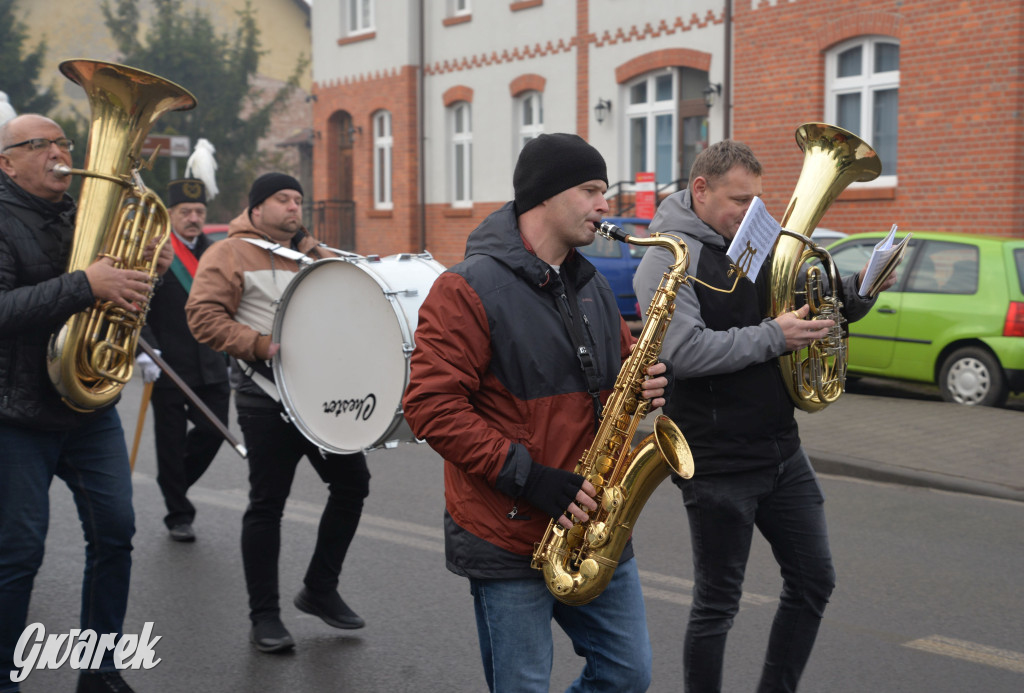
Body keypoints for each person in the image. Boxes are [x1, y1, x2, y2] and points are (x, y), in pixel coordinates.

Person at [403, 133, 670, 693]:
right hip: (507, 529)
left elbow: (620, 373)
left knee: (628, 675)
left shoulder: (593, 285)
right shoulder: (465, 288)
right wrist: (531, 479)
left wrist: (641, 386)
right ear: (545, 196)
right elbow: (430, 406)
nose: (605, 204)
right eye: (591, 190)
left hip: (592, 526)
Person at [632, 139, 897, 693]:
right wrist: (775, 336)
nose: (752, 211)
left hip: (781, 449)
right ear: (700, 190)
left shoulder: (751, 237)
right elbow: (685, 352)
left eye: (757, 199)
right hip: (717, 460)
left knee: (814, 581)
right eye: (739, 200)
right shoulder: (667, 256)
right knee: (718, 605)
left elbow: (801, 305)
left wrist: (859, 291)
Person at [0, 114, 171, 693]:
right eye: (40, 145)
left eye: (63, 142)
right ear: (7, 163)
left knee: (116, 533)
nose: (60, 153)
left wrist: (141, 274)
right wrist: (86, 285)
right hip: (16, 414)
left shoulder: (85, 215)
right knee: (19, 552)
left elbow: (115, 305)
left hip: (86, 410)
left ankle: (100, 672)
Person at [185, 172, 370, 654]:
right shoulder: (228, 253)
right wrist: (257, 344)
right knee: (268, 503)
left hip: (320, 397)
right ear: (256, 208)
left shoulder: (310, 255)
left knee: (352, 485)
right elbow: (202, 316)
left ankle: (320, 588)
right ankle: (264, 616)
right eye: (282, 199)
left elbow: (350, 300)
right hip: (265, 398)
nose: (293, 207)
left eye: (298, 200)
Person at [136, 179, 231, 543]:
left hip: (211, 363)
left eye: (199, 212)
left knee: (214, 431)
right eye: (186, 212)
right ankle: (178, 513)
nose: (193, 218)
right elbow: (136, 304)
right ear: (171, 214)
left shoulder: (216, 252)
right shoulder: (155, 252)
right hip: (169, 365)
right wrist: (146, 349)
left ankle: (172, 481)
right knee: (171, 443)